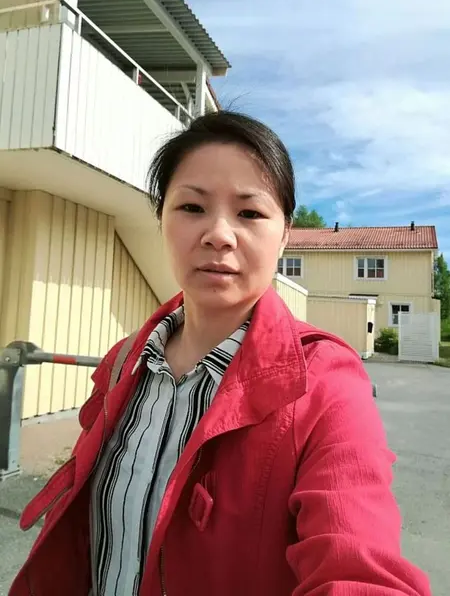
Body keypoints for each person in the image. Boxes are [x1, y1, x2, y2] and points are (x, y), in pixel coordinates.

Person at [10, 111, 431, 596]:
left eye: (249, 213)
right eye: (192, 207)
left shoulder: (325, 384)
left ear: (285, 234)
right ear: (161, 219)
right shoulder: (126, 362)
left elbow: (358, 567)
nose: (219, 234)